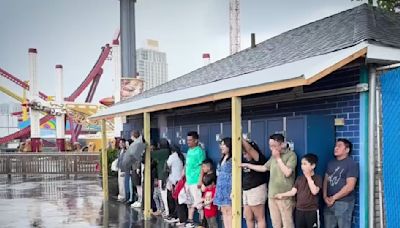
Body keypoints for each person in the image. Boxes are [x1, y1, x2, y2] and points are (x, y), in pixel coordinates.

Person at [242, 134, 297, 228]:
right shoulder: (273, 157)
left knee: (287, 224)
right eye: (270, 146)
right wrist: (248, 165)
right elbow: (264, 168)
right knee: (276, 224)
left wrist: (278, 158)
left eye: (274, 146)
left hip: (285, 197)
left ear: (282, 144)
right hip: (272, 196)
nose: (272, 149)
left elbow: (287, 173)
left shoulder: (291, 155)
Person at [275, 153, 322, 228]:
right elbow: (293, 192)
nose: (302, 166)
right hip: (299, 210)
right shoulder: (299, 178)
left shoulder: (317, 178)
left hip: (311, 211)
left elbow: (314, 191)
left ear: (313, 166)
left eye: (305, 164)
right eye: (301, 164)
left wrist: (308, 177)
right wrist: (282, 194)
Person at [323, 138, 358, 228]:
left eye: (339, 146)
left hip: (344, 202)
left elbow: (350, 186)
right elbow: (326, 181)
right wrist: (325, 197)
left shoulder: (351, 164)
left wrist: (334, 198)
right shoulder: (331, 163)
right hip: (329, 202)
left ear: (347, 150)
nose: (336, 148)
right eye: (335, 146)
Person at [240, 139, 268, 228]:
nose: (245, 155)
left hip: (257, 189)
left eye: (246, 153)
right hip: (246, 190)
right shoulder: (244, 160)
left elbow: (250, 149)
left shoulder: (259, 158)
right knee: (248, 217)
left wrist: (240, 138)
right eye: (243, 154)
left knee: (259, 218)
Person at [184, 131, 206, 228]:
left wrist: (200, 180)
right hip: (188, 180)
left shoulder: (199, 151)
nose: (188, 142)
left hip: (195, 180)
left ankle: (202, 221)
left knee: (198, 202)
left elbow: (202, 166)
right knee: (190, 201)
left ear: (196, 140)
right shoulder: (189, 151)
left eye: (190, 140)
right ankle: (190, 219)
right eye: (187, 140)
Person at [164, 144, 185, 223]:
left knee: (172, 200)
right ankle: (178, 217)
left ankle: (174, 216)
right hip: (181, 181)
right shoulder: (182, 155)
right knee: (179, 200)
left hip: (174, 181)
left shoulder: (172, 156)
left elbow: (167, 166)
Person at [214, 137, 232, 228]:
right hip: (221, 187)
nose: (221, 147)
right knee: (224, 211)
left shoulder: (233, 159)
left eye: (223, 144)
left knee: (230, 211)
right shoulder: (223, 158)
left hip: (229, 188)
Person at [152, 138, 171, 216]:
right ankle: (166, 211)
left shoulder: (164, 151)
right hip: (166, 176)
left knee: (164, 195)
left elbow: (150, 154)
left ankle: (166, 212)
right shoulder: (168, 151)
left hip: (163, 176)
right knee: (164, 196)